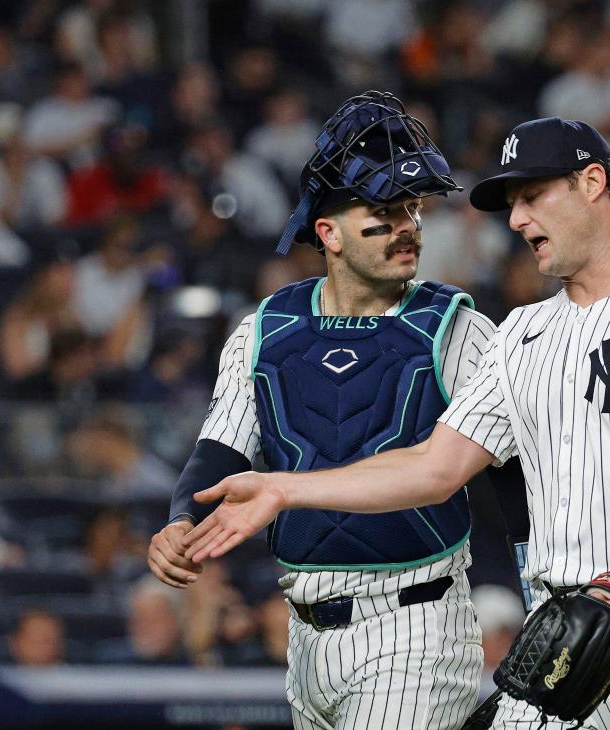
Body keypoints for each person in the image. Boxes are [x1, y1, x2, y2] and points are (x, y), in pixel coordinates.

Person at [184, 116, 610, 729]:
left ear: (593, 182)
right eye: (511, 204)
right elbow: (433, 467)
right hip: (557, 638)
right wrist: (284, 489)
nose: (517, 220)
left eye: (532, 196)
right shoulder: (522, 333)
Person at [149, 91, 495, 729]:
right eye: (385, 213)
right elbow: (221, 449)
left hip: (416, 627)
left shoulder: (458, 328)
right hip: (303, 635)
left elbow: (514, 470)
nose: (407, 228)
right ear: (328, 232)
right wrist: (178, 521)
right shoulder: (265, 329)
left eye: (413, 211)